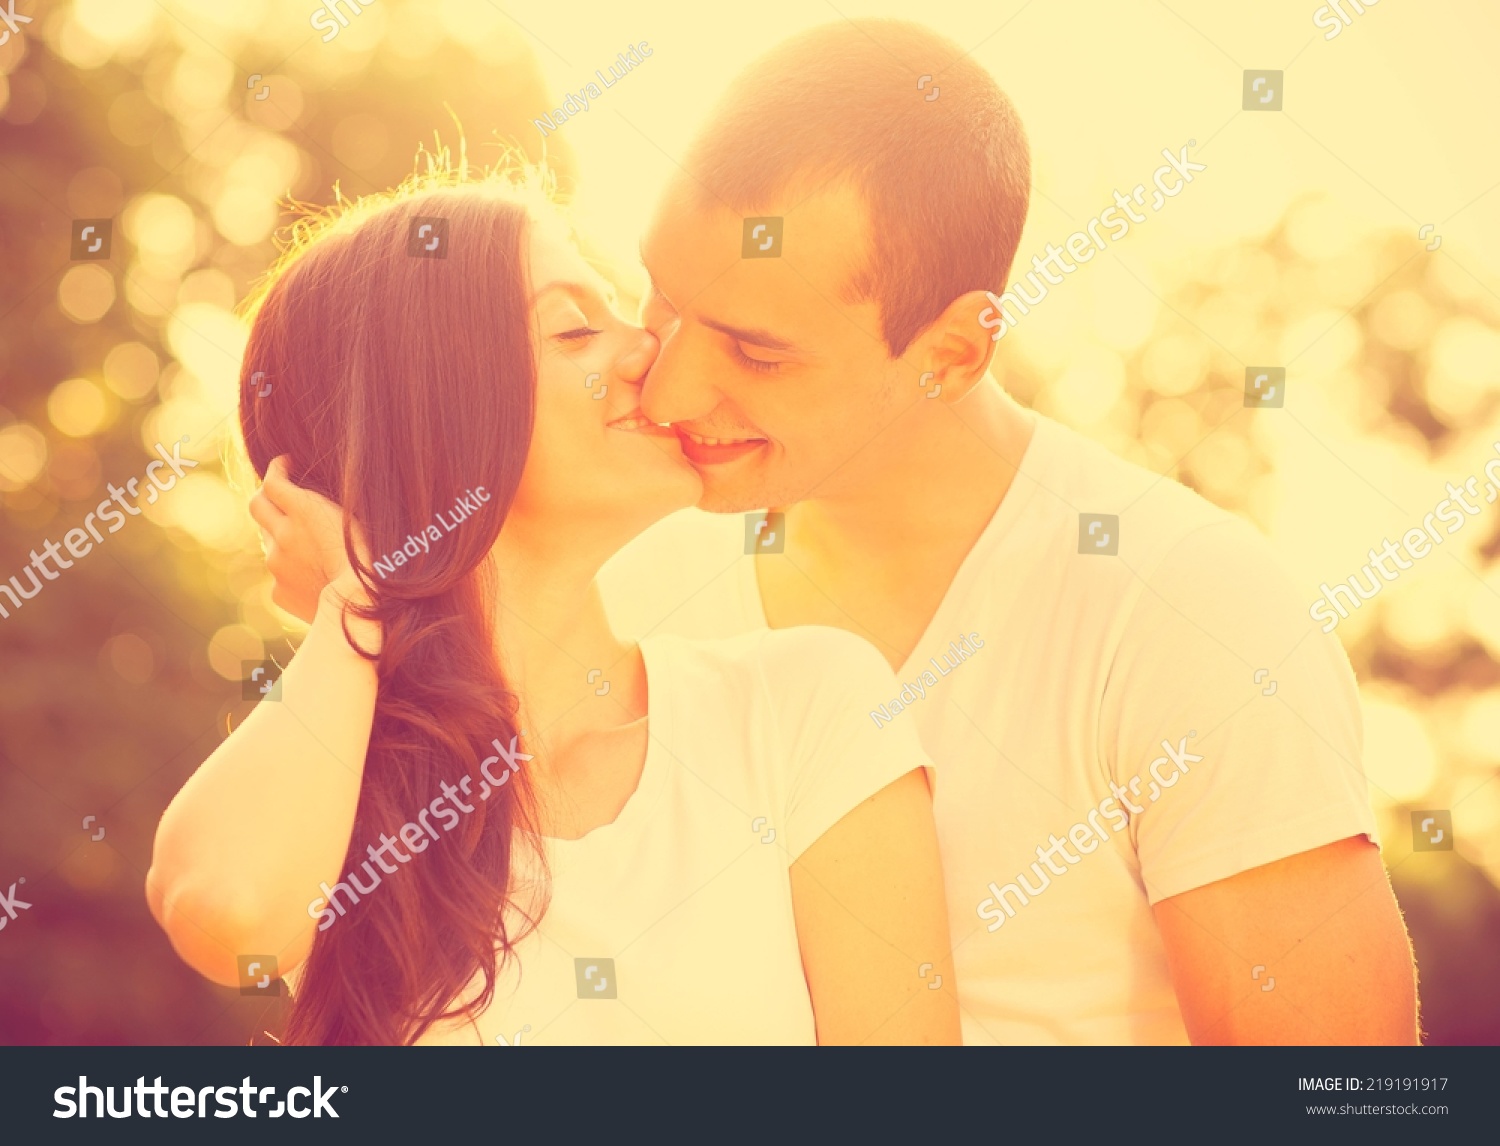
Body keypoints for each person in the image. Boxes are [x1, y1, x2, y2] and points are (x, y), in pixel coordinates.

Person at [597, 19, 1419, 1044]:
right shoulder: (621, 581)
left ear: (949, 352)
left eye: (757, 355)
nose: (669, 389)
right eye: (662, 302)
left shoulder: (1184, 612)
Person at [146, 168, 960, 1046]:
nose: (655, 351)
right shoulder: (343, 791)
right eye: (575, 329)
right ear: (436, 416)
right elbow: (227, 911)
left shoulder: (802, 705)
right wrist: (362, 600)